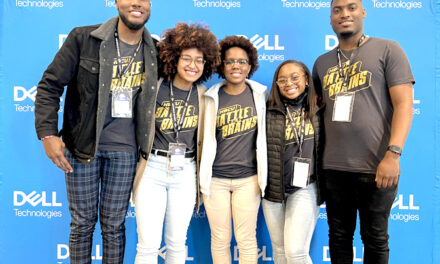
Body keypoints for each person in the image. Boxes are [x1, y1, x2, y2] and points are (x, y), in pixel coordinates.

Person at [34, 0, 157, 263]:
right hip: (81, 148)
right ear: (115, 3)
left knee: (114, 228)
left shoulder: (156, 50)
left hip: (125, 153)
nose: (136, 3)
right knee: (82, 225)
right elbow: (49, 86)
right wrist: (48, 134)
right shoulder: (83, 38)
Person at [312, 0, 414, 263]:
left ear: (363, 12)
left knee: (376, 239)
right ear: (331, 18)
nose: (344, 14)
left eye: (352, 7)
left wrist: (393, 154)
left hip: (377, 166)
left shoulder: (388, 49)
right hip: (333, 168)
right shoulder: (321, 63)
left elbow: (404, 104)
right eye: (337, 10)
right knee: (339, 237)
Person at [132, 22, 219, 264]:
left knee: (177, 243)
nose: (193, 65)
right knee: (148, 244)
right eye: (187, 58)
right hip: (152, 169)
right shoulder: (155, 88)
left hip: (186, 172)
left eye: (199, 60)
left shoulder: (206, 96)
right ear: (173, 58)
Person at [199, 35, 268, 264]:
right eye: (229, 61)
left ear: (250, 66)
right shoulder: (210, 97)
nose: (235, 66)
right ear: (221, 65)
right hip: (215, 179)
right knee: (220, 238)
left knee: (246, 239)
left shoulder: (260, 95)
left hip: (248, 179)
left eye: (241, 61)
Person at [263, 60, 324, 264]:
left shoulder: (320, 109)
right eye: (282, 80)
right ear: (277, 85)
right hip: (273, 191)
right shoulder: (268, 111)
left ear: (306, 79)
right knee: (279, 251)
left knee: (296, 251)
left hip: (305, 187)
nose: (289, 83)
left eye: (295, 77)